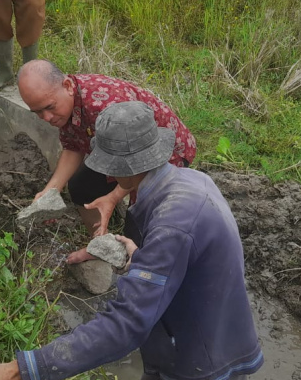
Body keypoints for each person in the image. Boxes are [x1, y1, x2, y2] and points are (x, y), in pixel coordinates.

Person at [0, 101, 263, 380]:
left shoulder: (174, 224)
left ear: (123, 168)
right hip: (189, 331)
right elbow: (192, 262)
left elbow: (127, 324)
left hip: (204, 359)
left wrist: (27, 369)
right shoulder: (191, 181)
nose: (104, 172)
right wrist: (144, 260)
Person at [17, 59, 197, 262]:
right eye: (38, 112)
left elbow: (139, 164)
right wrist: (51, 192)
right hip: (116, 154)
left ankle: (133, 261)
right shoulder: (64, 105)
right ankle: (99, 243)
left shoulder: (105, 106)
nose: (46, 117)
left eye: (49, 108)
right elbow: (73, 147)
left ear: (67, 86)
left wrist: (113, 197)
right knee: (80, 185)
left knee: (140, 223)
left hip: (160, 156)